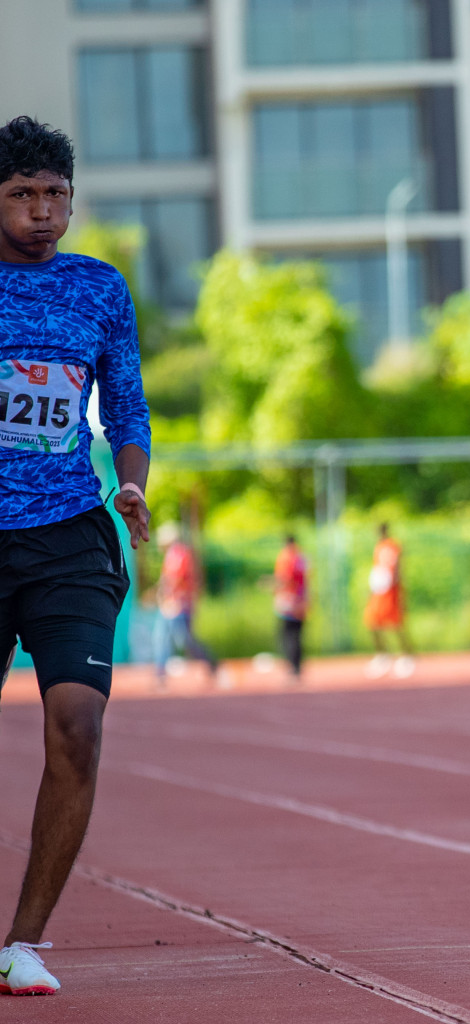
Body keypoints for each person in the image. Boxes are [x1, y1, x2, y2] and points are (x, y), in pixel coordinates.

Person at [0, 115, 152, 995]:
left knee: (78, 727)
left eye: (56, 194)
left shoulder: (99, 288)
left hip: (68, 536)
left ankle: (23, 942)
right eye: (22, 194)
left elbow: (125, 405)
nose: (43, 210)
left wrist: (131, 481)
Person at [153, 522, 223, 690]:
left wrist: (164, 594)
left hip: (178, 604)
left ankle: (211, 662)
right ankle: (160, 675)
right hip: (174, 604)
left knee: (185, 641)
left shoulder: (179, 554)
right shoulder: (174, 555)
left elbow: (175, 580)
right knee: (164, 638)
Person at [364, 522, 414, 678]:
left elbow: (397, 569)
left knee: (396, 623)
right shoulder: (378, 547)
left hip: (390, 591)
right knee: (372, 621)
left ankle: (407, 656)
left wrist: (397, 589)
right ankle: (382, 655)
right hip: (379, 592)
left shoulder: (392, 546)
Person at [273, 534, 307, 685]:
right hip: (300, 599)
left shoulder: (286, 558)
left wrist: (271, 585)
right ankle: (297, 668)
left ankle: (293, 669)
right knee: (297, 635)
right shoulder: (301, 558)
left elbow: (284, 579)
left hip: (289, 600)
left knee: (288, 635)